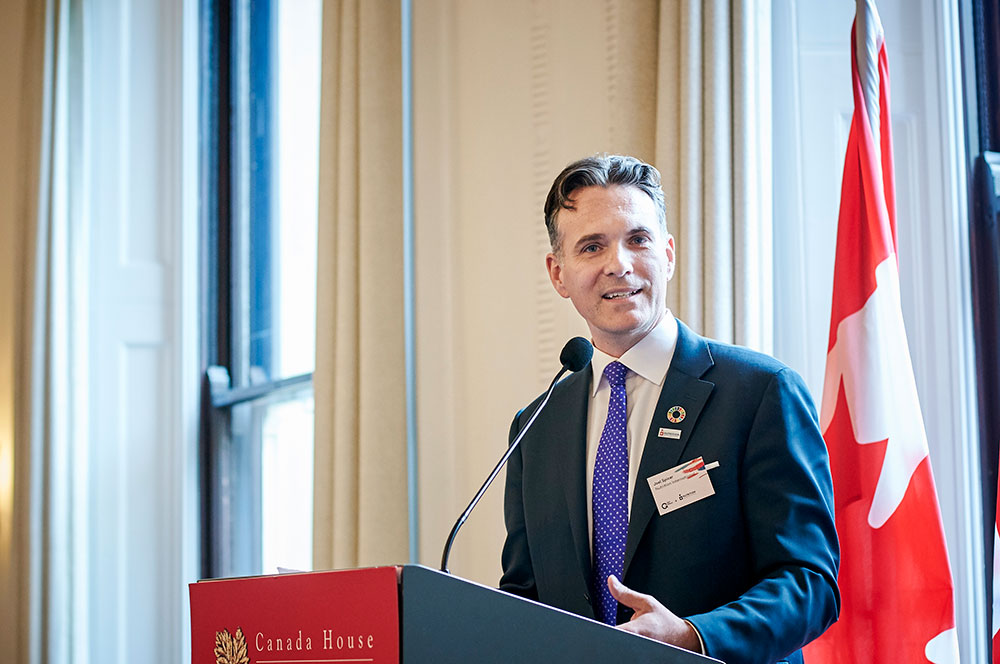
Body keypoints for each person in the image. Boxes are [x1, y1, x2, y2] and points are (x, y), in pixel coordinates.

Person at [499, 155, 839, 664]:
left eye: (637, 239)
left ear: (668, 253)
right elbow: (523, 598)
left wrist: (693, 636)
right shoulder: (536, 427)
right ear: (559, 274)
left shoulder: (760, 393)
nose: (619, 263)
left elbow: (810, 584)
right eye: (592, 246)